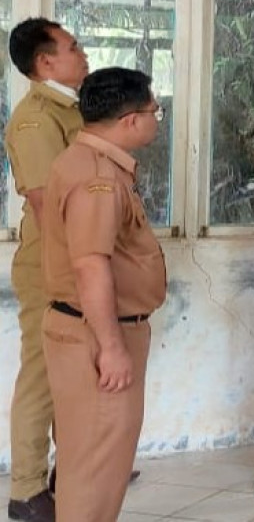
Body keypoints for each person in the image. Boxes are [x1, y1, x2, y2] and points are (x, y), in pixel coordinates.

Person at [40, 67, 167, 522]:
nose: (157, 120)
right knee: (95, 470)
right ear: (131, 119)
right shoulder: (98, 177)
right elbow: (90, 264)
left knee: (92, 463)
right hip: (97, 336)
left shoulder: (88, 162)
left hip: (88, 329)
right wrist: (111, 348)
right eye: (156, 111)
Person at [3, 18, 88, 522]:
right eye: (73, 47)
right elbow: (46, 206)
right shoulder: (36, 119)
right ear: (45, 62)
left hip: (76, 263)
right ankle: (27, 491)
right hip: (52, 265)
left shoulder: (70, 110)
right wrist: (79, 271)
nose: (83, 54)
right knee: (41, 376)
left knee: (71, 376)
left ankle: (71, 472)